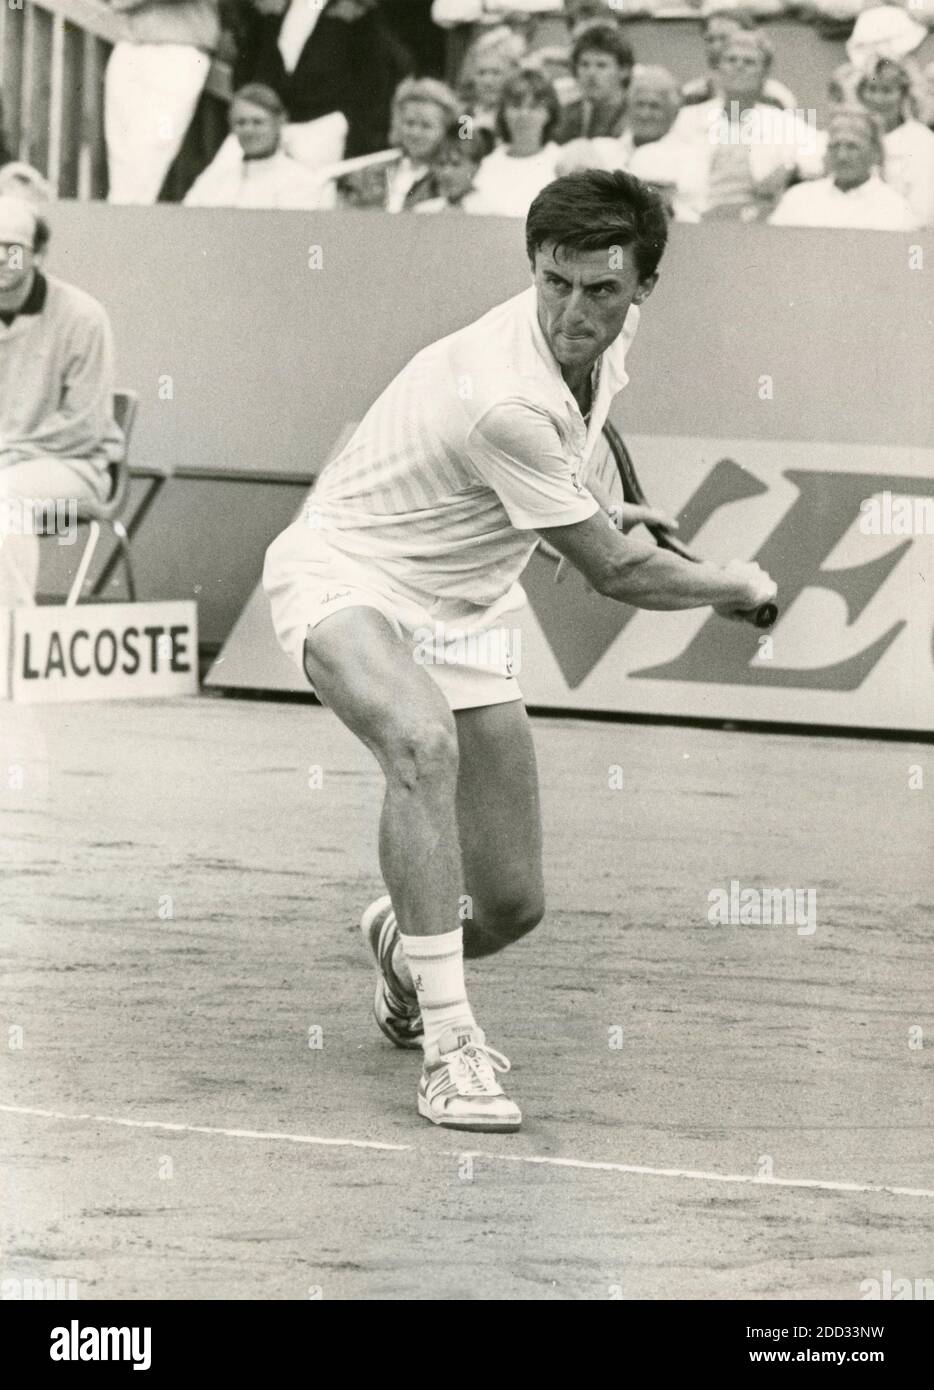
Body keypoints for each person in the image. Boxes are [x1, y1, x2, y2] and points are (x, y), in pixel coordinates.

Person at [262, 169, 777, 1132]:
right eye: (555, 284)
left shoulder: (595, 353)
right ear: (533, 268)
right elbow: (622, 577)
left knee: (507, 907)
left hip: (466, 604)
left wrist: (589, 506)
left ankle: (401, 939)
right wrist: (738, 582)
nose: (575, 314)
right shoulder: (502, 395)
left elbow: (562, 477)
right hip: (347, 575)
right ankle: (451, 1048)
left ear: (642, 288)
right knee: (420, 746)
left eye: (603, 291)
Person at [0, 197, 123, 608]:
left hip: (76, 467)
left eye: (12, 248)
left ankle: (11, 651)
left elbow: (83, 426)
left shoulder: (82, 317)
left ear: (39, 255)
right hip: (8, 461)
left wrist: (8, 451)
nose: (0, 259)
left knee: (4, 498)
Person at [668, 30, 822, 221]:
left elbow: (822, 150)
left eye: (749, 62)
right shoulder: (686, 119)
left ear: (764, 74)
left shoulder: (782, 122)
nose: (739, 66)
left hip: (760, 224)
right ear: (718, 68)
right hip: (690, 221)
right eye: (731, 60)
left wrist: (791, 168)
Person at [232, 0, 409, 159]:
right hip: (264, 129)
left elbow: (373, 86)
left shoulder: (356, 12)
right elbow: (245, 70)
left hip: (324, 132)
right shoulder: (269, 7)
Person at [104, 0, 219, 204]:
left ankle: (127, 225)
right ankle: (121, 220)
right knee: (121, 152)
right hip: (131, 45)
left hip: (179, 50)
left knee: (153, 147)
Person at [183, 83, 329, 207]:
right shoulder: (216, 177)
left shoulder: (300, 181)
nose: (248, 131)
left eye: (258, 122)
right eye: (241, 122)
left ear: (280, 122)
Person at [769, 106, 916, 229]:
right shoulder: (798, 199)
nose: (842, 156)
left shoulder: (895, 209)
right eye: (835, 146)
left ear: (875, 153)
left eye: (852, 147)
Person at [470, 70, 563, 216]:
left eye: (534, 107)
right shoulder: (485, 165)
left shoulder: (562, 162)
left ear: (549, 113)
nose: (523, 114)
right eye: (515, 106)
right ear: (503, 113)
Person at [856, 55, 934, 227]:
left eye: (887, 91)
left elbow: (923, 213)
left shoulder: (923, 141)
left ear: (903, 95)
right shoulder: (850, 136)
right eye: (872, 89)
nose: (877, 99)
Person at [681, 9, 797, 112]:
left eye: (724, 38)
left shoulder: (776, 99)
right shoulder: (691, 96)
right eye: (710, 39)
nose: (715, 47)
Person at [554, 23, 633, 143]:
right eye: (584, 65)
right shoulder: (565, 115)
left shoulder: (637, 116)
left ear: (624, 71)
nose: (591, 73)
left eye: (601, 65)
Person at [415, 122, 495, 212]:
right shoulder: (424, 211)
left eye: (456, 164)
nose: (446, 172)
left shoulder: (488, 213)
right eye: (441, 164)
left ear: (476, 166)